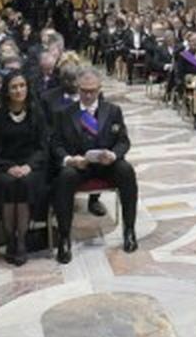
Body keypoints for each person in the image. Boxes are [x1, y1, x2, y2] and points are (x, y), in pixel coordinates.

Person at [49, 67, 138, 260]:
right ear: (77, 89)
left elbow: (123, 141)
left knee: (127, 171)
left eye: (92, 91)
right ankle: (64, 237)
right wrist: (69, 160)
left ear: (99, 89)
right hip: (80, 165)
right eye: (84, 91)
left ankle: (129, 230)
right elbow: (55, 144)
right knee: (64, 177)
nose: (88, 95)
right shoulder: (64, 114)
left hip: (107, 165)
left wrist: (113, 155)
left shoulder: (113, 111)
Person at [0, 72, 50, 265]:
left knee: (25, 183)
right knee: (9, 184)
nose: (19, 90)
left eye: (22, 86)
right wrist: (10, 167)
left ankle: (21, 240)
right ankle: (10, 238)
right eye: (14, 87)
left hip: (32, 166)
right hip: (2, 166)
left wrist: (29, 166)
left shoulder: (37, 113)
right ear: (7, 91)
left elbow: (42, 147)